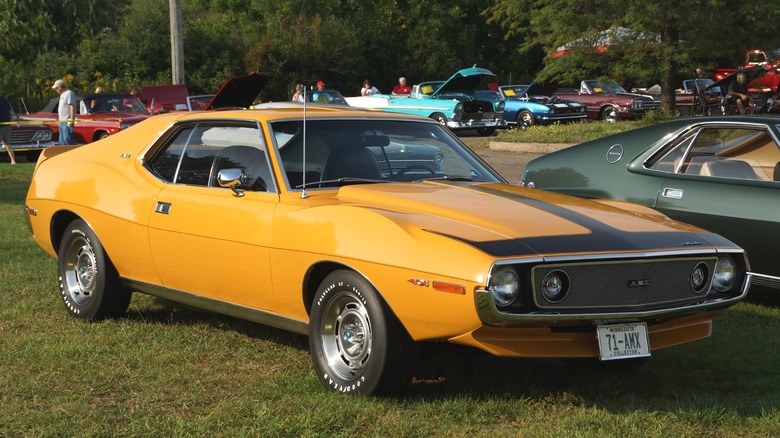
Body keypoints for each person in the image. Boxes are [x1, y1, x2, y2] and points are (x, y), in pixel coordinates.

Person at [52, 79, 77, 145]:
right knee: (62, 140)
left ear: (60, 87)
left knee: (68, 139)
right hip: (61, 121)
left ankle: (75, 151)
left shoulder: (69, 93)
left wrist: (72, 120)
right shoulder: (62, 95)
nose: (56, 90)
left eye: (56, 88)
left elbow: (72, 107)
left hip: (67, 121)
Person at [0, 93, 17, 164]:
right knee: (8, 144)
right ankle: (13, 161)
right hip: (7, 125)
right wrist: (10, 123)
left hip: (1, 125)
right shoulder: (4, 98)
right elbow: (10, 112)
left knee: (7, 144)